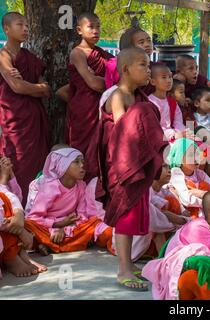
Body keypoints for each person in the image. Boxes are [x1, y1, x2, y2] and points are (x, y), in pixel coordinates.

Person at [103, 47, 167, 289]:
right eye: (143, 65)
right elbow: (124, 132)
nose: (148, 69)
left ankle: (129, 263)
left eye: (148, 65)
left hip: (137, 163)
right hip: (123, 165)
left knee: (135, 213)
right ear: (125, 69)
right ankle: (122, 269)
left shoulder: (141, 98)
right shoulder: (118, 96)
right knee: (126, 215)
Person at [24, 148, 112, 256]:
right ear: (62, 165)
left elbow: (82, 215)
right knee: (27, 225)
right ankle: (59, 244)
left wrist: (65, 228)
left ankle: (50, 245)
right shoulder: (50, 187)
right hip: (48, 227)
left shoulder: (81, 185)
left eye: (83, 162)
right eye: (76, 162)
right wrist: (57, 225)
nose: (82, 166)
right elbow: (34, 218)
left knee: (95, 222)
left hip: (70, 226)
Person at [0, 12, 50, 201]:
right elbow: (16, 86)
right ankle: (12, 205)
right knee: (15, 160)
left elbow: (46, 90)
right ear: (6, 29)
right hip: (14, 120)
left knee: (36, 162)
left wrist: (32, 87)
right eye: (20, 25)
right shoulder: (3, 56)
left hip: (33, 118)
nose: (26, 29)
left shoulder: (30, 58)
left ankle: (33, 205)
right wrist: (36, 88)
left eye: (27, 25)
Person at [66, 13, 113, 156]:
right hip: (84, 108)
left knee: (101, 148)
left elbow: (119, 75)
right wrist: (106, 81)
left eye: (98, 27)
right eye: (91, 27)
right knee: (83, 150)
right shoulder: (77, 53)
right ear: (79, 30)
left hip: (103, 104)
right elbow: (93, 84)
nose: (96, 31)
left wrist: (99, 78)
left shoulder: (103, 54)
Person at [167, 138, 210, 219]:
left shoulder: (199, 173)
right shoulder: (176, 173)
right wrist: (208, 201)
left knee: (204, 185)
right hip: (188, 214)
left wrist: (202, 194)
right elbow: (186, 199)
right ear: (180, 158)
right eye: (190, 155)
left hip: (204, 209)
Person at [148, 64, 186, 143]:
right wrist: (173, 135)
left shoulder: (172, 102)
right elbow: (154, 127)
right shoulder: (150, 102)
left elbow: (178, 121)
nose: (169, 80)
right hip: (160, 139)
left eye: (170, 77)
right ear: (153, 81)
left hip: (176, 135)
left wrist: (180, 132)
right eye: (164, 77)